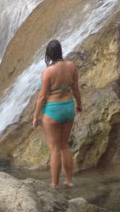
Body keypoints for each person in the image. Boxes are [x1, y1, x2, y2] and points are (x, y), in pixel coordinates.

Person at [32, 39, 83, 187]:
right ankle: (69, 181)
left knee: (54, 149)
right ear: (60, 51)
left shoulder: (48, 72)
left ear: (48, 54)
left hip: (53, 111)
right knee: (64, 146)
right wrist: (79, 104)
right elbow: (76, 89)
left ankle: (54, 185)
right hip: (68, 108)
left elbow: (42, 97)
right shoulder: (71, 66)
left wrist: (35, 117)